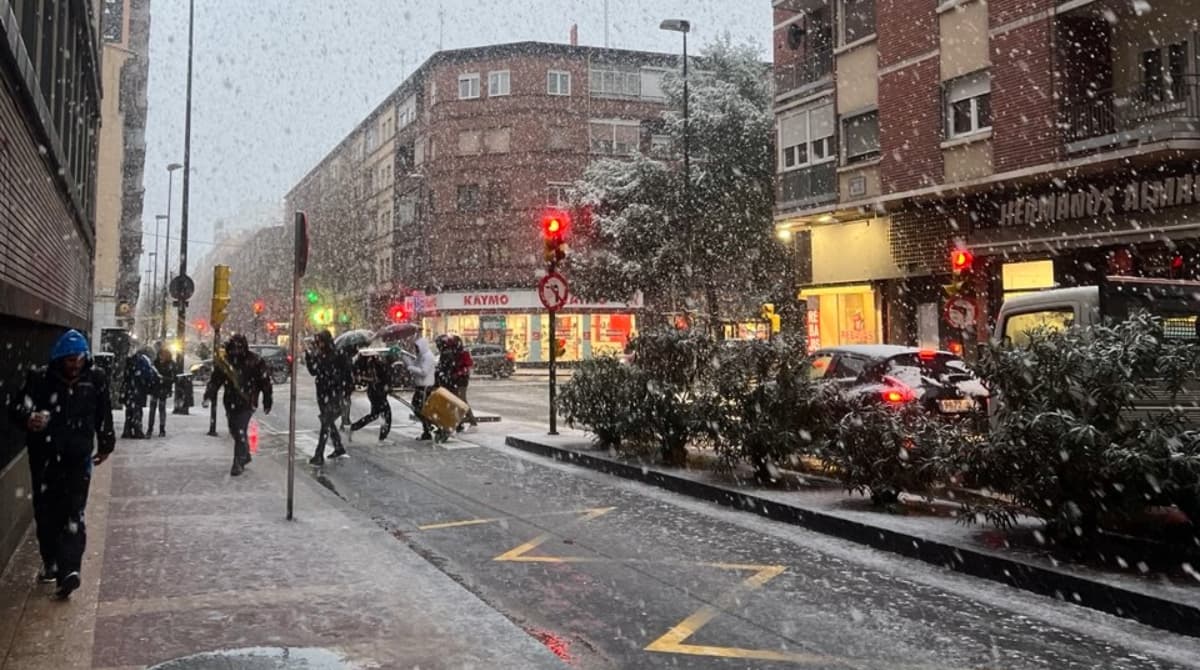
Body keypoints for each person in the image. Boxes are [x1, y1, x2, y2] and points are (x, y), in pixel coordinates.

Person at [9, 329, 115, 598]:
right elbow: (15, 407)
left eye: (79, 359)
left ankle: (69, 570)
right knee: (46, 514)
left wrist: (105, 444)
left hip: (78, 458)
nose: (75, 365)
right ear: (60, 359)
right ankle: (51, 563)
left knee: (74, 513)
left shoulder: (95, 379)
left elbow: (104, 414)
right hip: (45, 458)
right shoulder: (40, 379)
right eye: (70, 361)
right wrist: (28, 418)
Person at [203, 334, 272, 476]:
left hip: (247, 401)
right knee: (234, 430)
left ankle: (238, 462)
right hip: (231, 401)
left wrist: (267, 399)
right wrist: (208, 395)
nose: (236, 351)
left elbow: (265, 383)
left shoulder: (255, 361)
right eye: (233, 348)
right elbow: (215, 380)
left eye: (238, 348)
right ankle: (245, 454)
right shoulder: (226, 363)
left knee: (240, 429)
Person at [305, 331, 352, 465]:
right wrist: (309, 357)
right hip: (322, 392)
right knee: (328, 421)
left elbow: (347, 373)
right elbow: (314, 371)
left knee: (326, 422)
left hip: (333, 392)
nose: (318, 344)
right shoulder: (320, 355)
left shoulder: (338, 354)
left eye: (319, 341)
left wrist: (345, 390)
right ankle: (338, 446)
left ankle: (319, 454)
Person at [349, 352, 391, 441]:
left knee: (375, 415)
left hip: (374, 392)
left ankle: (355, 426)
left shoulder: (363, 364)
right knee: (386, 414)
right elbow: (377, 378)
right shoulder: (373, 364)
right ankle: (383, 436)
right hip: (377, 392)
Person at [120, 348, 159, 439]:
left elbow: (126, 375)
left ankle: (127, 430)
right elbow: (148, 375)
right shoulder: (144, 362)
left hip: (130, 388)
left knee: (129, 410)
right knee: (137, 410)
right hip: (139, 389)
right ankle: (137, 431)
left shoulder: (131, 360)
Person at [406, 335, 437, 441]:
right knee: (417, 408)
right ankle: (427, 427)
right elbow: (416, 365)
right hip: (420, 386)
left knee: (421, 409)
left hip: (425, 387)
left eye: (417, 347)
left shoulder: (428, 357)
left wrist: (411, 368)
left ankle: (428, 426)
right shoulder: (421, 356)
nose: (416, 349)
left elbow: (423, 372)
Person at [146, 343, 176, 437]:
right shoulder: (156, 363)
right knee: (153, 409)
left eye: (163, 356)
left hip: (163, 389)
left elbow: (173, 378)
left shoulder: (170, 364)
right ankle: (150, 428)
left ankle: (161, 429)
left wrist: (163, 379)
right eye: (160, 356)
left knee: (161, 409)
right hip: (156, 388)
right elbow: (151, 375)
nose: (161, 357)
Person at [450, 336, 478, 431]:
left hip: (461, 379)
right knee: (458, 400)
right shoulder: (454, 352)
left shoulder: (463, 353)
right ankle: (460, 422)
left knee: (462, 400)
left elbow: (468, 365)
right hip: (456, 378)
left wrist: (459, 373)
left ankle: (471, 420)